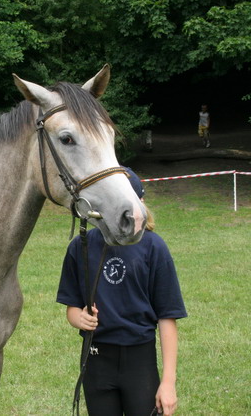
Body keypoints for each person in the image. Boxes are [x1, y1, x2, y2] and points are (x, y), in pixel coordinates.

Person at [57, 168, 187, 416]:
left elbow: (167, 316)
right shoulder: (80, 246)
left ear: (139, 204)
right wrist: (79, 318)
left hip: (140, 360)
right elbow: (72, 307)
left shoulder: (154, 247)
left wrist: (168, 383)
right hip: (96, 359)